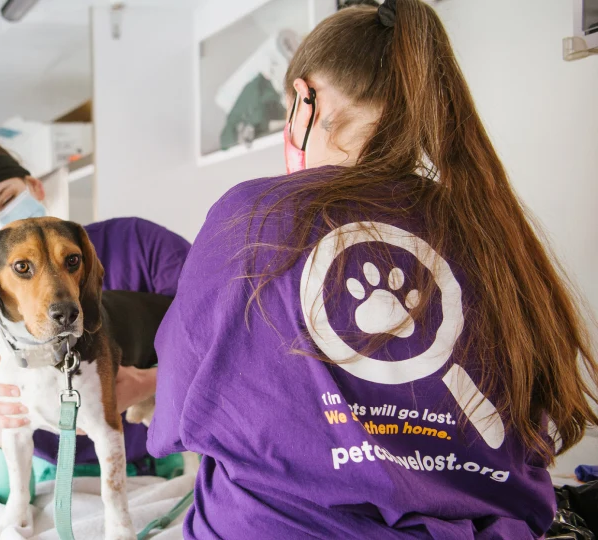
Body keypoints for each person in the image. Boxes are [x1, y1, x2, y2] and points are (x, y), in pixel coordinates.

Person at [149, 1, 598, 538]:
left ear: (303, 98)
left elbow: (176, 419)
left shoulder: (253, 216)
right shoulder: (489, 226)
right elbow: (536, 425)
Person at [0, 141, 190, 502]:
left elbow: (230, 342)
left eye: (6, 201)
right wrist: (2, 428)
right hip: (51, 486)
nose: (2, 221)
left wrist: (148, 383)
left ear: (35, 188)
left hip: (155, 470)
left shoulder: (139, 244)